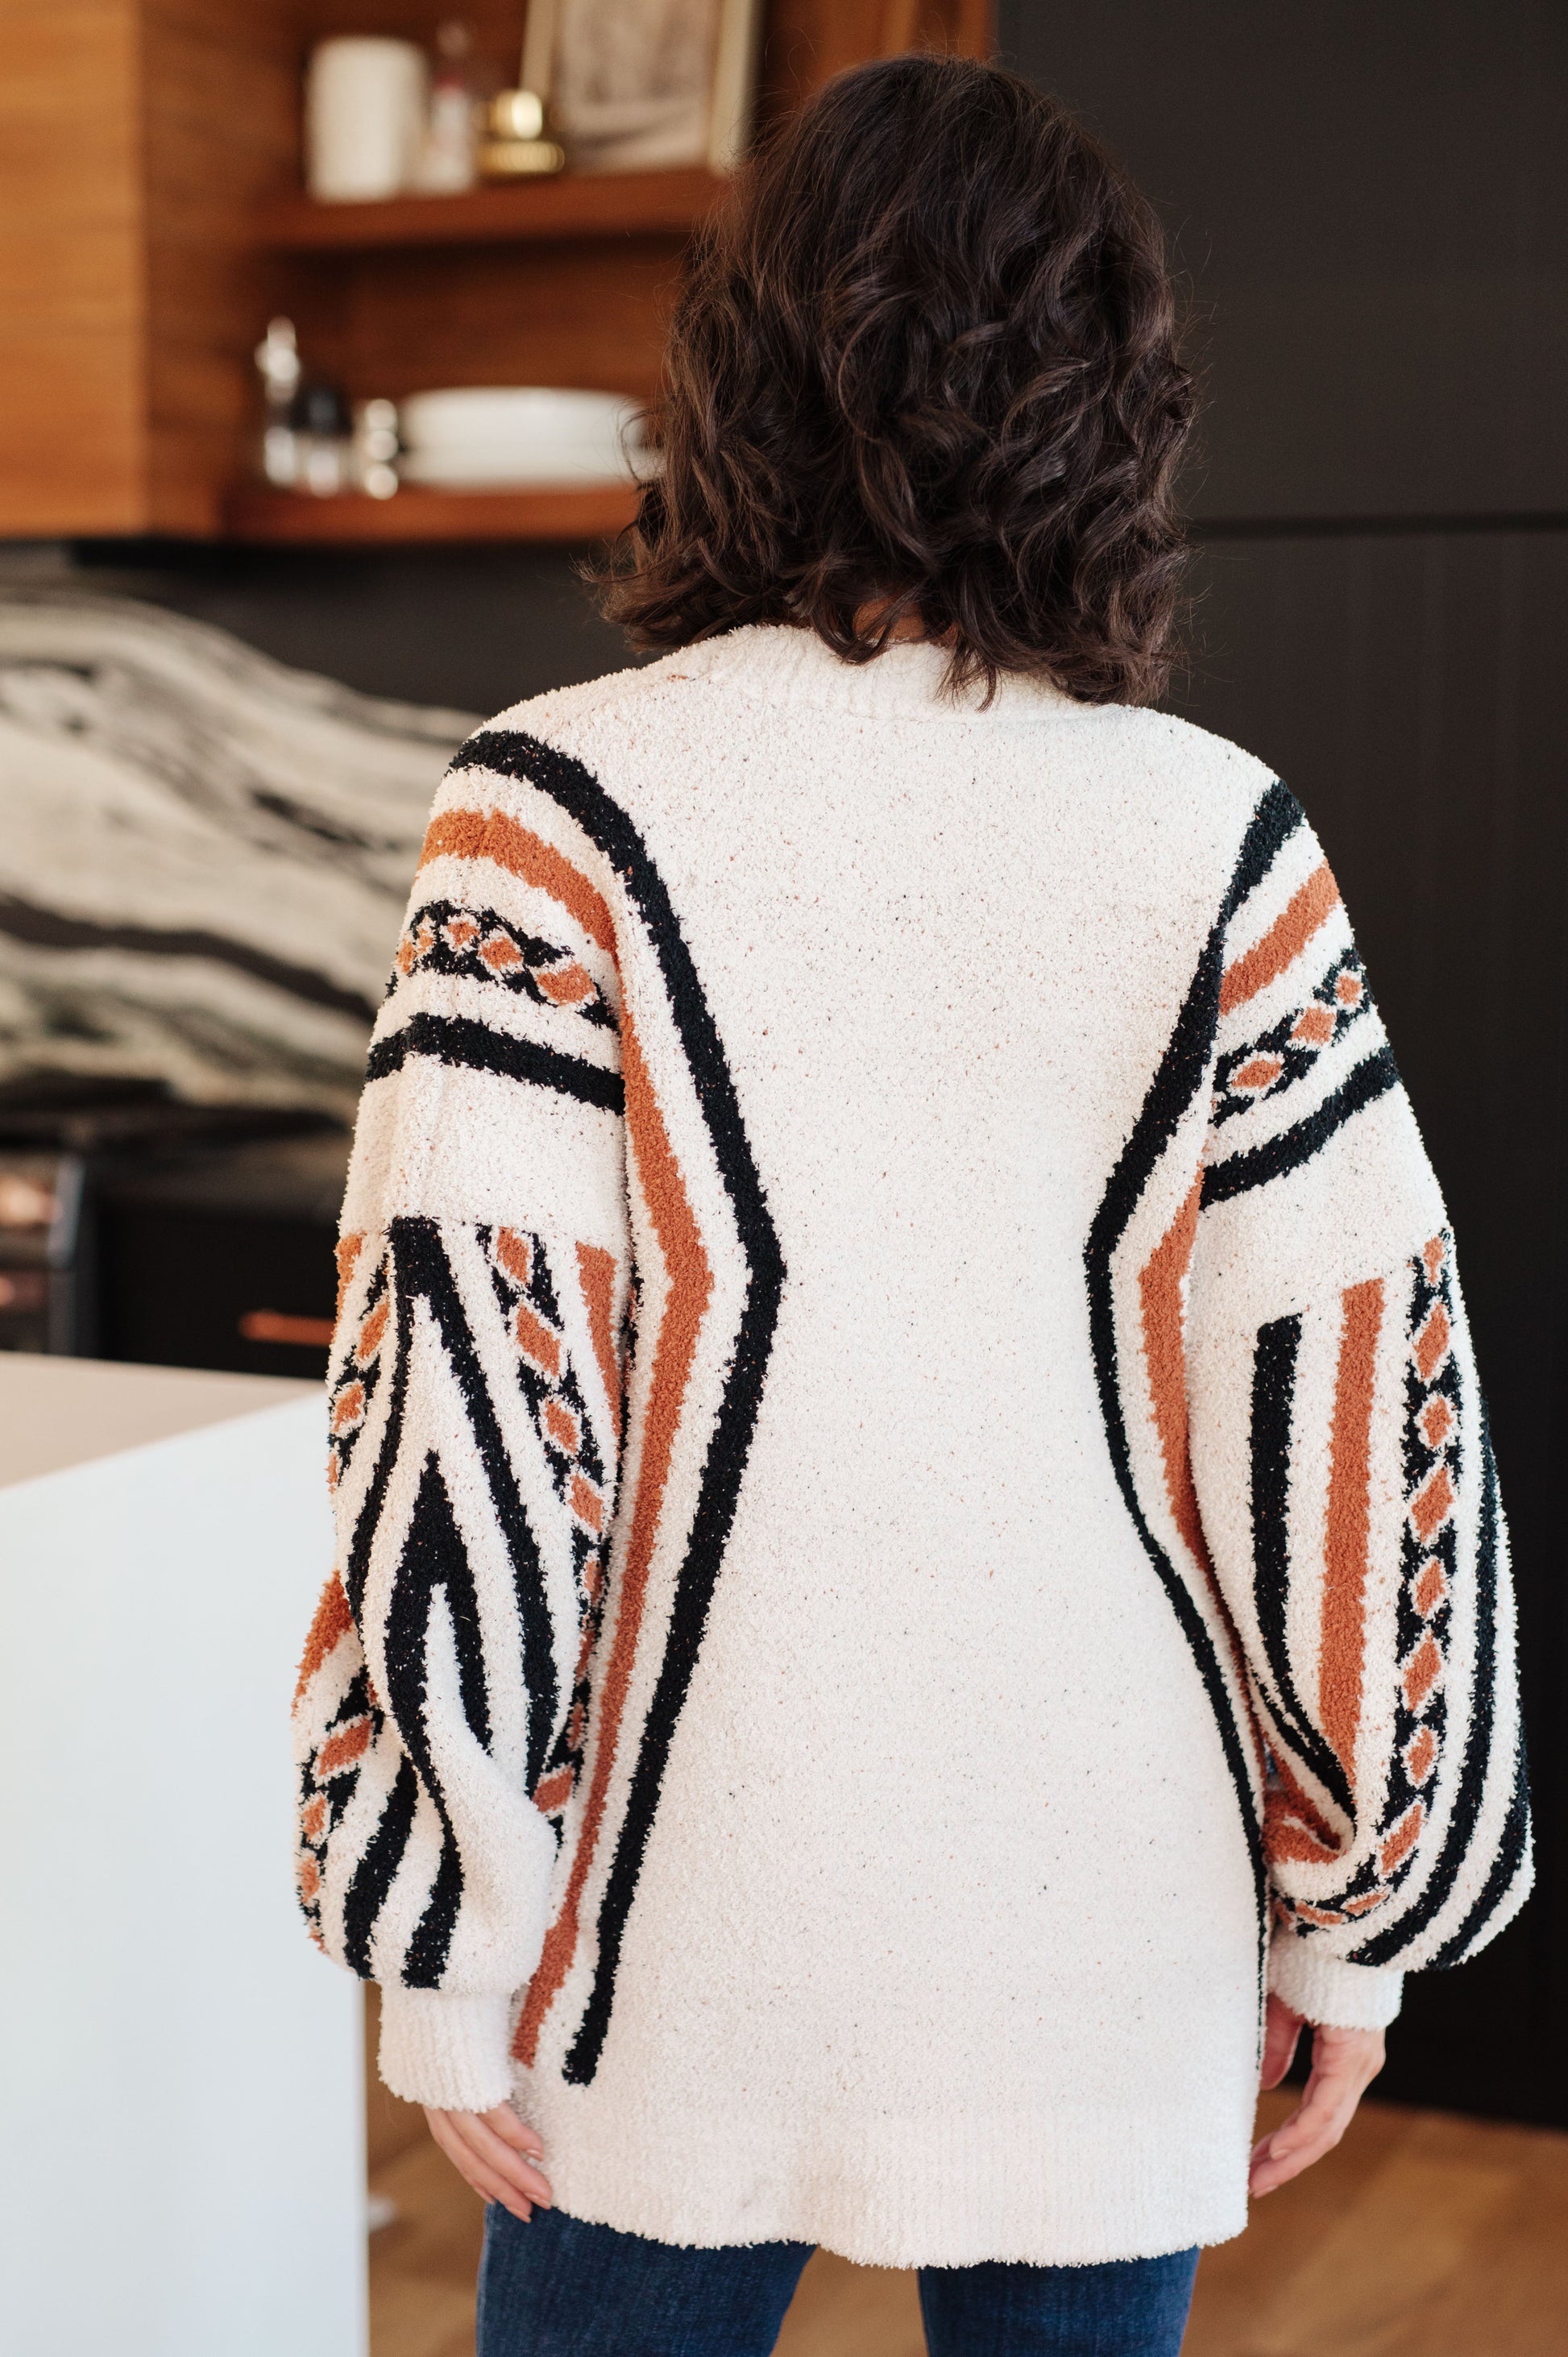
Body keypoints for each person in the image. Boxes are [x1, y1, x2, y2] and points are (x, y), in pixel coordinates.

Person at [292, 54, 1531, 2357]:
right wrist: (1353, 1918)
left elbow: (463, 1400)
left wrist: (441, 1934)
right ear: (1115, 400)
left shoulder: (550, 811)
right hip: (1104, 1905)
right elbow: (1355, 1416)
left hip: (663, 1917)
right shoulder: (1219, 839)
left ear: (735, 375)